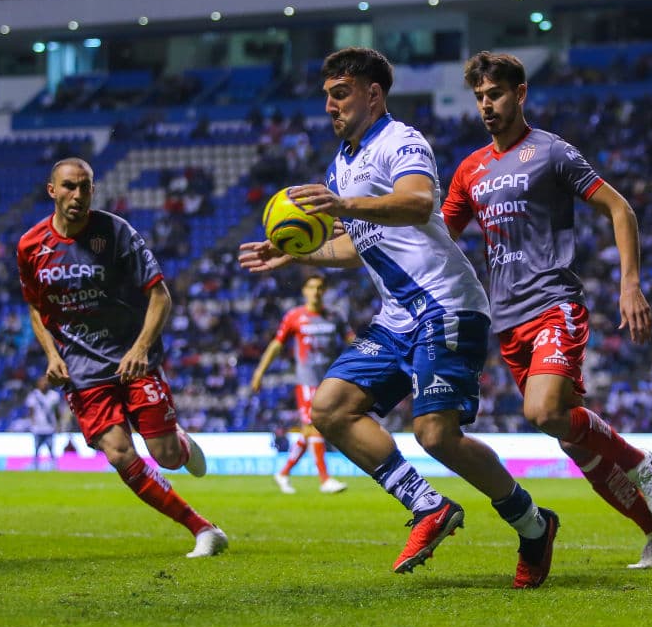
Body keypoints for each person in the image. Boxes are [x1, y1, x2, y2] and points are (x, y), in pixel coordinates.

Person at [239, 47, 558, 589]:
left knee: (435, 435)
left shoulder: (401, 141)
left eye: (341, 94)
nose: (331, 107)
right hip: (398, 317)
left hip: (446, 303)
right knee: (329, 408)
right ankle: (427, 505)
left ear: (373, 93)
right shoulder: (341, 162)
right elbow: (356, 247)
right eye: (327, 97)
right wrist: (295, 255)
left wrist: (342, 208)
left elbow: (415, 203)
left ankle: (532, 524)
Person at [441, 51, 652, 570]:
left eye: (496, 94)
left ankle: (640, 461)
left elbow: (619, 207)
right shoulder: (469, 170)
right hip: (507, 321)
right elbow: (440, 238)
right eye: (480, 97)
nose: (487, 105)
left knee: (543, 412)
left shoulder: (550, 152)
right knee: (575, 443)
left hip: (554, 304)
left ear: (520, 93)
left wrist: (630, 284)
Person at [17, 157, 227, 558]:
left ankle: (180, 443)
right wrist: (51, 355)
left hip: (133, 360)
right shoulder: (31, 246)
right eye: (68, 187)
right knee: (118, 452)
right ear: (52, 191)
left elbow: (160, 296)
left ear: (93, 190)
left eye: (84, 187)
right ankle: (202, 528)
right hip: (82, 370)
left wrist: (140, 348)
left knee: (165, 456)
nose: (77, 195)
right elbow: (34, 306)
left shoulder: (116, 232)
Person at [251, 274, 351, 494]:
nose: (315, 292)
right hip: (307, 382)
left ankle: (283, 473)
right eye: (311, 287)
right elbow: (276, 345)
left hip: (329, 382)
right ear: (304, 291)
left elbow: (352, 342)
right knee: (315, 427)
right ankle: (325, 479)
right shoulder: (294, 316)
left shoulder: (335, 316)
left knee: (308, 432)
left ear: (325, 291)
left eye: (320, 288)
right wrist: (260, 371)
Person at [26, 375, 63, 470]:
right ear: (38, 383)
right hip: (38, 428)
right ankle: (35, 466)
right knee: (36, 449)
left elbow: (57, 412)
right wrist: (32, 424)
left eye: (46, 382)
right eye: (42, 382)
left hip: (50, 428)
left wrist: (58, 425)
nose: (45, 384)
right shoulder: (33, 395)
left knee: (51, 449)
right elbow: (31, 412)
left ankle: (54, 466)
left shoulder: (54, 396)